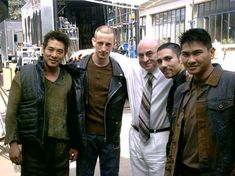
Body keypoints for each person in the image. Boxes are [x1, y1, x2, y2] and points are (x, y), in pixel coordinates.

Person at [71, 38, 172, 176]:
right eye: (140, 55)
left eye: (150, 54)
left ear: (159, 53)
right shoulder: (133, 67)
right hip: (136, 136)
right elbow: (111, 54)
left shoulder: (168, 72)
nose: (145, 59)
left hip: (159, 137)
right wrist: (86, 51)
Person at [5, 30, 79, 176]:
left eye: (59, 51)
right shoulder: (24, 76)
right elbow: (12, 112)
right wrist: (12, 143)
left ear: (64, 54)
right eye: (50, 49)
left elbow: (73, 115)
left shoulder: (69, 79)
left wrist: (74, 145)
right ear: (43, 49)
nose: (54, 55)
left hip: (60, 150)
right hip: (34, 149)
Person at [165, 28, 235, 176]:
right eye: (185, 54)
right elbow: (174, 137)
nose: (191, 60)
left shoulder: (231, 83)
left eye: (197, 53)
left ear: (211, 52)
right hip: (183, 170)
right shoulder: (181, 90)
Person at [67, 25, 128, 176]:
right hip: (85, 136)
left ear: (114, 44)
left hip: (110, 137)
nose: (103, 48)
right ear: (93, 41)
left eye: (108, 44)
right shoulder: (77, 67)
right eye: (100, 43)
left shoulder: (121, 72)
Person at [156, 43, 187, 154]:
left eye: (168, 59)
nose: (163, 65)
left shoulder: (190, 82)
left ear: (181, 58)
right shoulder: (176, 84)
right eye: (159, 61)